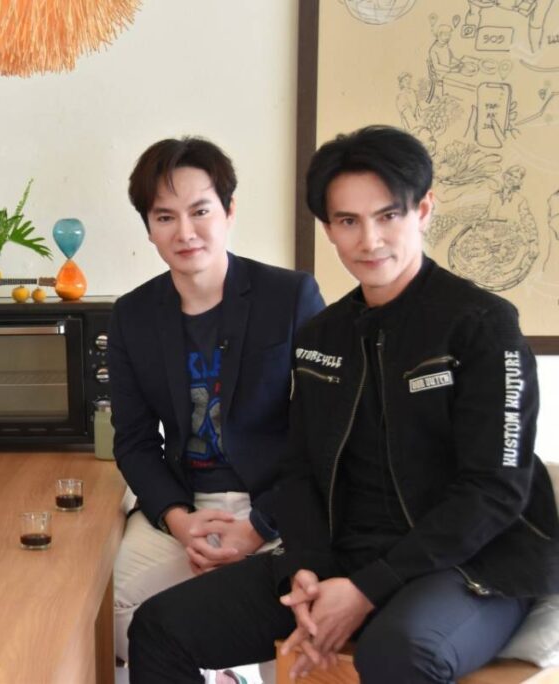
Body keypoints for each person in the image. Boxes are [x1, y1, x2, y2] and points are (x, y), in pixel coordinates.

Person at [127, 125, 559, 683]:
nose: (369, 240)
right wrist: (308, 570)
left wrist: (365, 589)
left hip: (468, 563)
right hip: (348, 555)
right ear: (329, 228)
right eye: (348, 221)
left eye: (388, 216)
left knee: (397, 652)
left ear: (423, 210)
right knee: (160, 627)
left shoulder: (482, 325)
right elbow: (302, 471)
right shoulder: (323, 335)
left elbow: (494, 491)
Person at [108, 136, 324, 669]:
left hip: (277, 507)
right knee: (113, 607)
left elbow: (324, 433)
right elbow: (134, 442)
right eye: (165, 217)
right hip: (186, 504)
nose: (184, 232)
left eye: (200, 211)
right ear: (148, 228)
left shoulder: (290, 297)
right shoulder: (132, 315)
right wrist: (179, 520)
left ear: (228, 211)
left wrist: (261, 526)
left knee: (291, 621)